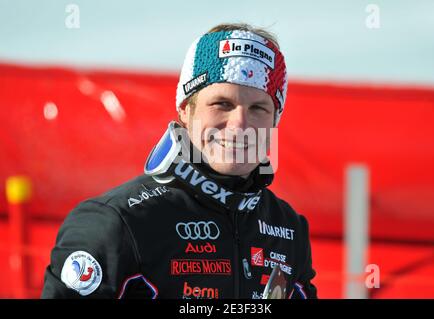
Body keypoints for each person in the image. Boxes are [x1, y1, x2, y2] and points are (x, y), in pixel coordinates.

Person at [41, 23, 317, 299]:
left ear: (274, 121)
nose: (240, 124)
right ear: (186, 110)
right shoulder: (117, 221)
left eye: (258, 108)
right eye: (222, 104)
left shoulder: (288, 228)